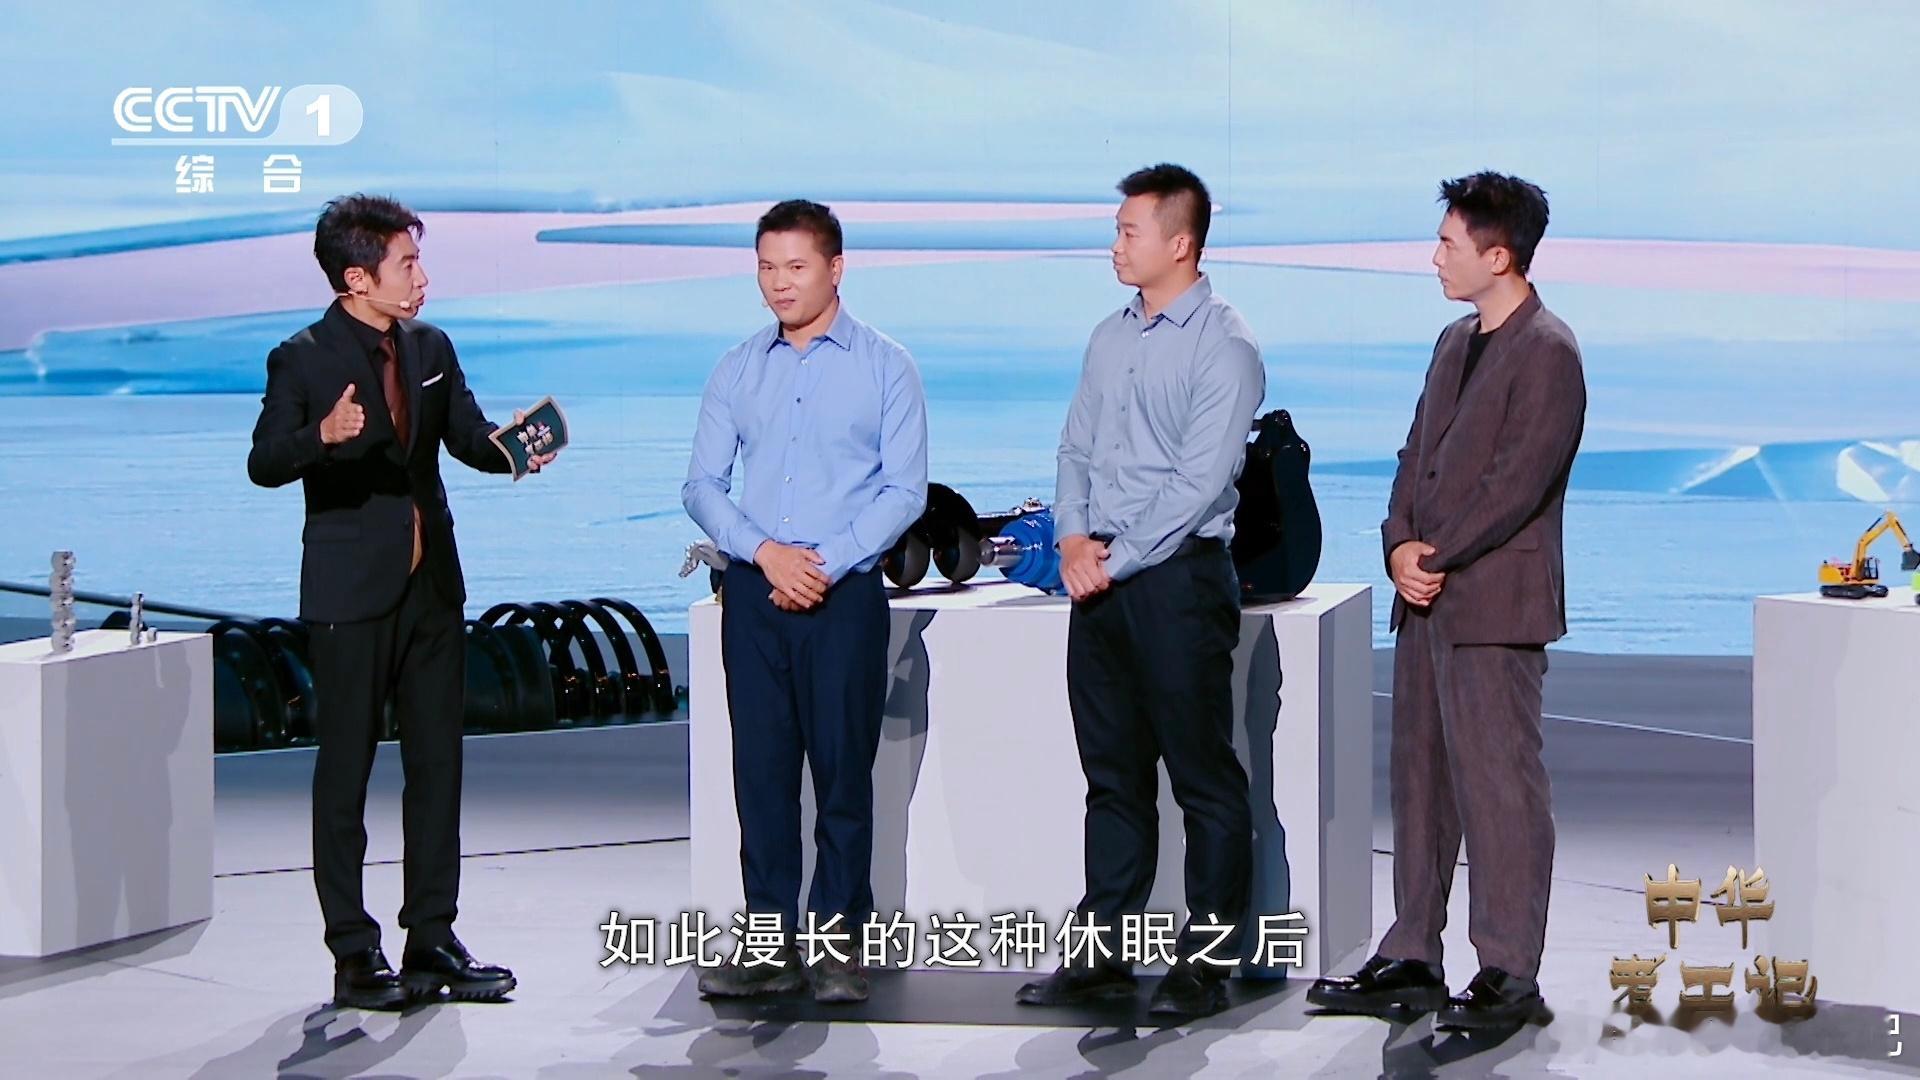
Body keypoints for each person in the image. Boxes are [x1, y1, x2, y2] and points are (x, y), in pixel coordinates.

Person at [248, 194, 555, 1009]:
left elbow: (466, 439)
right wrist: (322, 438)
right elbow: (264, 461)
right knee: (345, 771)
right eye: (406, 264)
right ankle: (354, 954)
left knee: (437, 765)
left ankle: (432, 938)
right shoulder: (302, 358)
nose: (422, 279)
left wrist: (515, 449)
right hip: (350, 594)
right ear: (357, 278)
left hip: (432, 589)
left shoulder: (431, 346)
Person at [1307, 171, 1585, 1030]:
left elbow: (1517, 484)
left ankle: (1508, 971)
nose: (1435, 258)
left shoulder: (1549, 351)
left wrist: (1436, 554)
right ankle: (1413, 953)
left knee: (1499, 789)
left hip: (1494, 605)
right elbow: (1413, 458)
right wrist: (1397, 544)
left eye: (1448, 243)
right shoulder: (1451, 341)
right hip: (1425, 598)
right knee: (1420, 783)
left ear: (1498, 257)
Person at [1015, 163, 1264, 1018]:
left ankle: (1207, 963)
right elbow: (1075, 449)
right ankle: (1102, 954)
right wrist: (1071, 538)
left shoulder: (1225, 345)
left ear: (1180, 243)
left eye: (1129, 231)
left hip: (1177, 581)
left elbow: (1197, 485)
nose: (1116, 245)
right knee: (1112, 778)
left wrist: (1111, 560)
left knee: (1202, 779)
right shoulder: (1109, 337)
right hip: (1100, 581)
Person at [682, 199, 928, 1005]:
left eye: (795, 266)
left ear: (835, 267)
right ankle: (767, 945)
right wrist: (766, 554)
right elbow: (701, 485)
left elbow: (905, 490)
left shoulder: (886, 366)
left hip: (843, 595)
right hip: (755, 596)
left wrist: (826, 562)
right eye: (765, 267)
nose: (778, 283)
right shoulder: (736, 368)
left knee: (842, 776)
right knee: (761, 778)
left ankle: (839, 946)